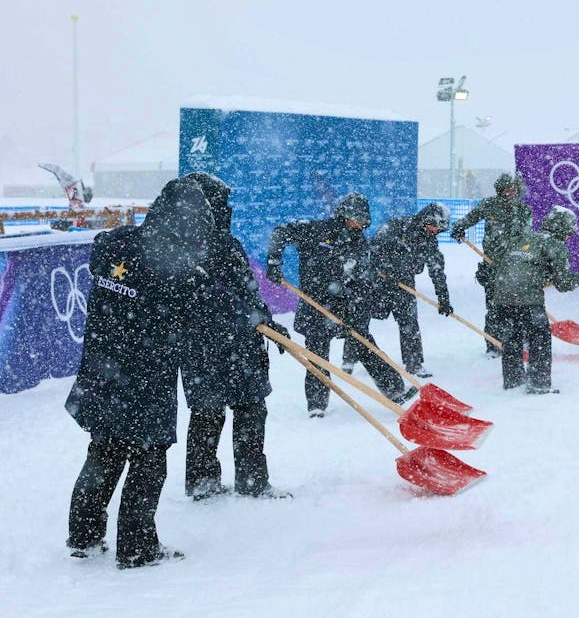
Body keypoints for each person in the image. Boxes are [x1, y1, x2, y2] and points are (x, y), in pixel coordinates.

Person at [65, 178, 213, 569]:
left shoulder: (112, 243)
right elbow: (190, 319)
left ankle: (83, 534)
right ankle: (136, 547)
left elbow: (107, 263)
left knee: (104, 452)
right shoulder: (176, 267)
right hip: (146, 378)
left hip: (102, 368)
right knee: (149, 462)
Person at [180, 172, 292, 501]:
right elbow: (201, 301)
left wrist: (267, 322)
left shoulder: (229, 244)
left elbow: (248, 291)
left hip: (243, 345)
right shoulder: (181, 249)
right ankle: (202, 482)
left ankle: (253, 480)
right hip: (204, 347)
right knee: (208, 414)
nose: (226, 210)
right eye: (220, 204)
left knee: (251, 410)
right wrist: (244, 317)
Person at [265, 192, 416, 417]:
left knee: (365, 344)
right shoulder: (315, 230)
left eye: (363, 221)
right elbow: (280, 232)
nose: (360, 225)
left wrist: (357, 309)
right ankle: (317, 405)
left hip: (347, 305)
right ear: (344, 215)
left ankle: (394, 391)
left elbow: (363, 279)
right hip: (315, 305)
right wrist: (274, 262)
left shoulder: (359, 242)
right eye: (357, 219)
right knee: (317, 355)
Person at [489, 206, 579, 394]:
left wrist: (541, 276)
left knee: (512, 341)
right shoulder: (555, 245)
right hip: (528, 300)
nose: (568, 238)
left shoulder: (522, 239)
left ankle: (513, 381)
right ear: (562, 229)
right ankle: (539, 384)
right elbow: (563, 283)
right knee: (539, 341)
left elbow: (512, 265)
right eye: (569, 233)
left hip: (501, 298)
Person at [341, 202, 454, 378]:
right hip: (376, 281)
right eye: (434, 227)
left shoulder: (430, 241)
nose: (436, 231)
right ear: (426, 220)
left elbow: (437, 270)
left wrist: (444, 298)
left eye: (439, 229)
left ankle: (414, 363)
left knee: (409, 322)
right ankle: (349, 359)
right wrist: (386, 268)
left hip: (404, 284)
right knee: (360, 319)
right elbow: (374, 247)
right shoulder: (397, 226)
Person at [450, 172, 532, 357]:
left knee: (521, 307)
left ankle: (522, 343)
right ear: (499, 190)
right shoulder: (489, 205)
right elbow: (470, 218)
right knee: (495, 308)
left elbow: (529, 236)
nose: (509, 193)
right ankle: (493, 346)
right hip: (492, 266)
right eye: (505, 190)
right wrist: (459, 227)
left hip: (517, 267)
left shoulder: (523, 210)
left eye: (512, 190)